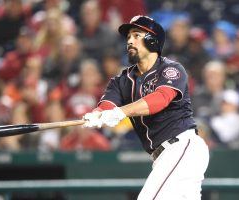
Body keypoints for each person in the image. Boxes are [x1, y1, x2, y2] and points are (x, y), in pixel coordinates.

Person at [83, 15, 209, 200]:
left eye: (136, 35)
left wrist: (120, 112)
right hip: (161, 157)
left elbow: (161, 99)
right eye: (128, 37)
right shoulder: (121, 80)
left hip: (181, 147)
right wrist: (97, 115)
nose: (129, 41)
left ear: (152, 41)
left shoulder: (171, 69)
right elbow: (107, 105)